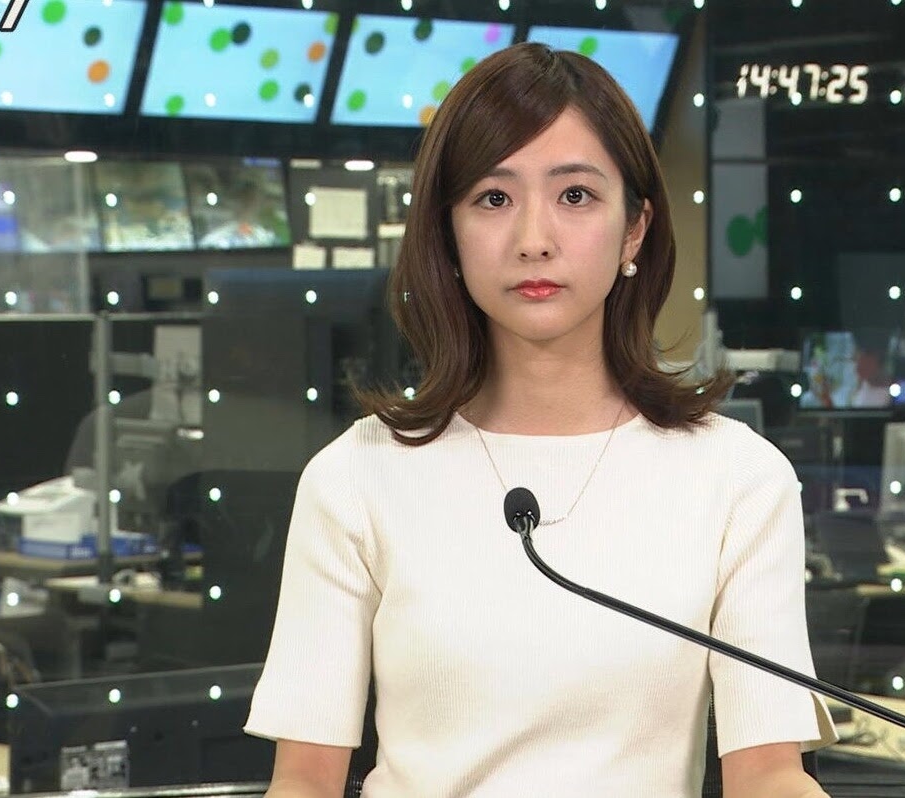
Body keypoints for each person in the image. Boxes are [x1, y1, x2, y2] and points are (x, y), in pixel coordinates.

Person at [244, 42, 836, 797]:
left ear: (634, 229)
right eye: (493, 198)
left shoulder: (738, 477)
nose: (534, 239)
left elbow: (768, 776)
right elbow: (305, 782)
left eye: (576, 195)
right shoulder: (355, 476)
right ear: (447, 232)